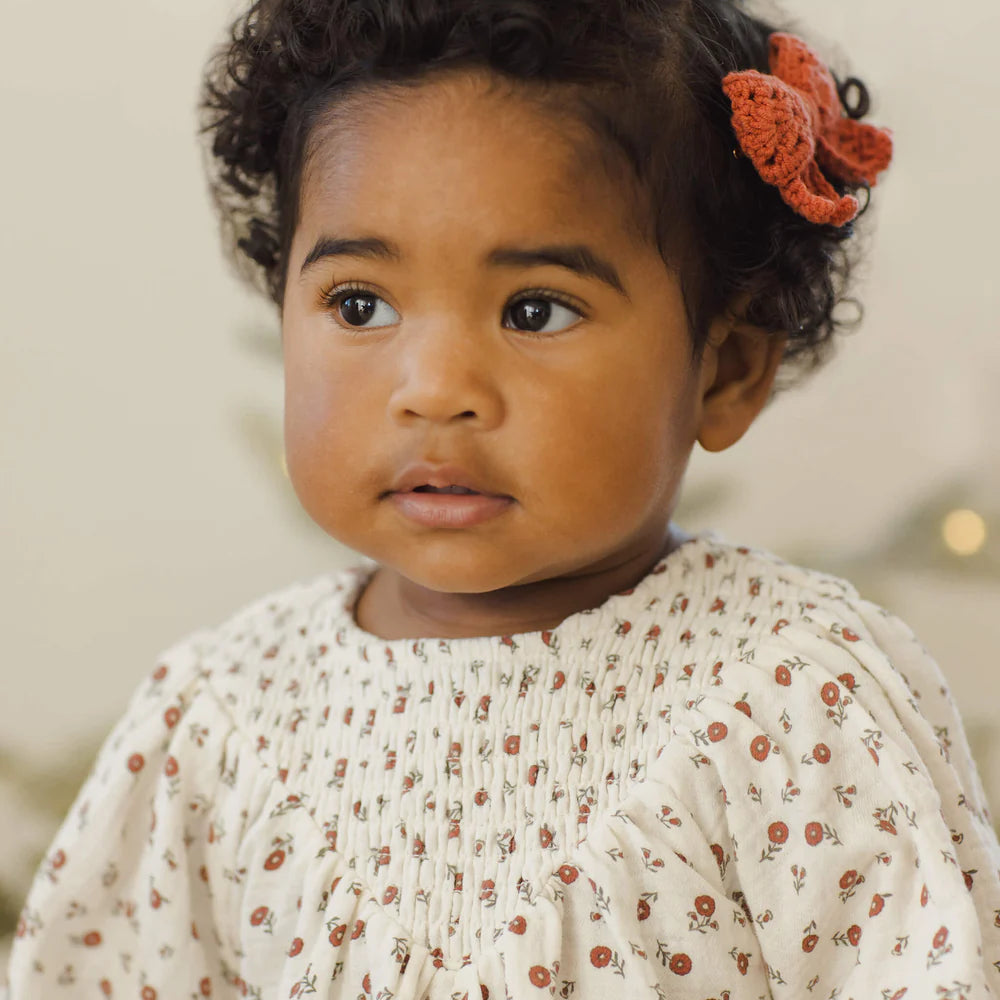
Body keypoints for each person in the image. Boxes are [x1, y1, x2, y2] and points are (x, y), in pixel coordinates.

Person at [5, 0, 998, 996]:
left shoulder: (791, 698)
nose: (433, 387)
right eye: (360, 304)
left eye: (535, 309)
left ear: (725, 372)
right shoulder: (216, 723)